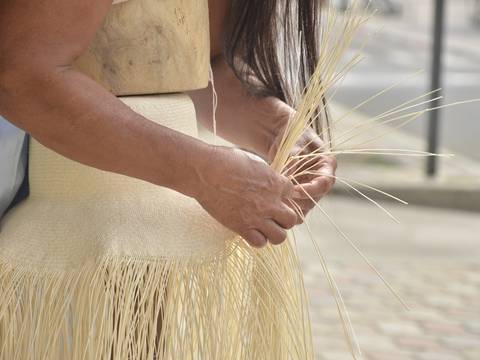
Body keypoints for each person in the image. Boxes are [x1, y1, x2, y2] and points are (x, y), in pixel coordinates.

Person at [0, 0, 336, 358]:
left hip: (135, 225)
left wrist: (279, 131)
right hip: (68, 211)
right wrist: (199, 172)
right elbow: (23, 75)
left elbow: (191, 60)